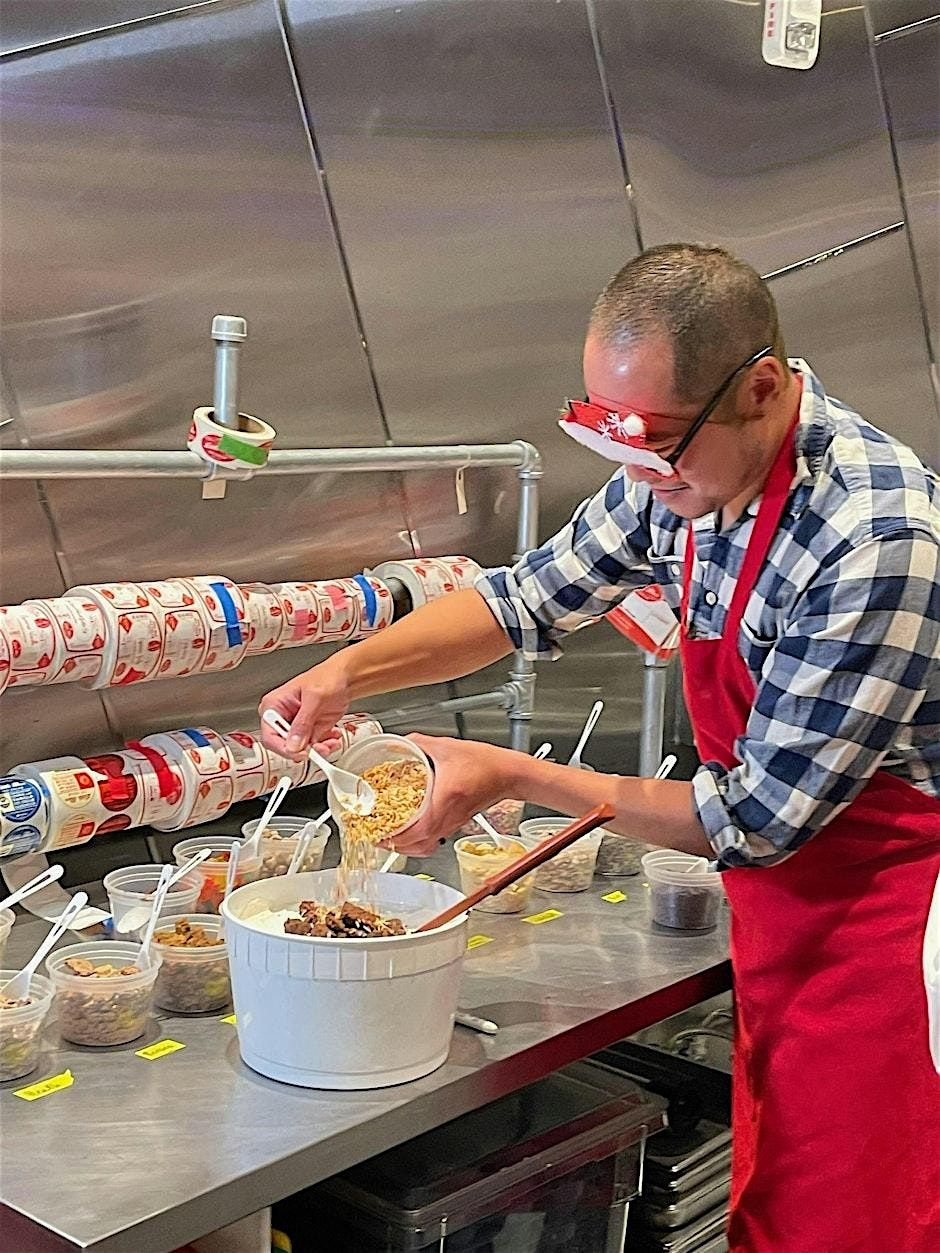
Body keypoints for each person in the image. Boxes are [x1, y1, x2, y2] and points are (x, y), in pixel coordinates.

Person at [260, 243, 940, 1251]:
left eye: (656, 444)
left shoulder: (874, 537)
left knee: (855, 1217)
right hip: (777, 911)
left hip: (880, 927)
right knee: (775, 1192)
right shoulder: (679, 472)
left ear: (758, 388)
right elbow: (525, 599)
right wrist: (349, 671)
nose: (636, 473)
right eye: (605, 435)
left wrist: (514, 774)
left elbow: (753, 818)